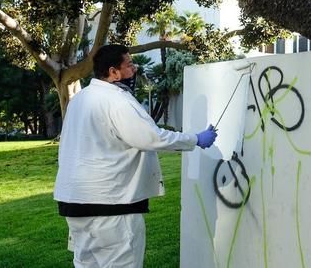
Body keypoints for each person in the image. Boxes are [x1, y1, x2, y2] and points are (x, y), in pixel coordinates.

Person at [54, 44, 218, 268]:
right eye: (129, 65)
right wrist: (195, 139)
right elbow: (150, 138)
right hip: (111, 206)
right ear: (113, 72)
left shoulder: (80, 100)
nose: (135, 70)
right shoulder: (117, 100)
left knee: (87, 264)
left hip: (74, 204)